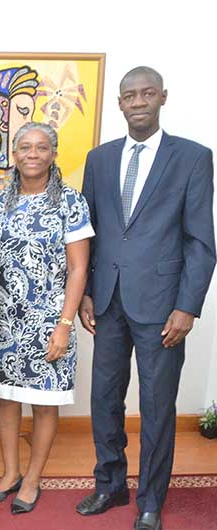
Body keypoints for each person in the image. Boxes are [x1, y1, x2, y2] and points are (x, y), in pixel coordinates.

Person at [76, 66, 215, 530]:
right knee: (104, 399)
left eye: (147, 93)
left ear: (163, 98)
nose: (138, 102)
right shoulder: (99, 159)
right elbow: (89, 232)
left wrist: (187, 306)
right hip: (108, 301)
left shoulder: (193, 157)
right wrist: (86, 293)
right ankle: (110, 484)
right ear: (119, 103)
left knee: (156, 406)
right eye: (130, 95)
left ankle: (151, 500)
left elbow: (200, 240)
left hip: (163, 307)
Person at [0, 122, 93, 514]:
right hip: (4, 320)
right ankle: (10, 472)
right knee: (7, 398)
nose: (32, 154)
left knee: (44, 403)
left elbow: (78, 269)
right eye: (25, 147)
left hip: (50, 322)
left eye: (41, 147)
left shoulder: (71, 202)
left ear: (53, 154)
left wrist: (65, 325)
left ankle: (32, 479)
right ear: (14, 154)